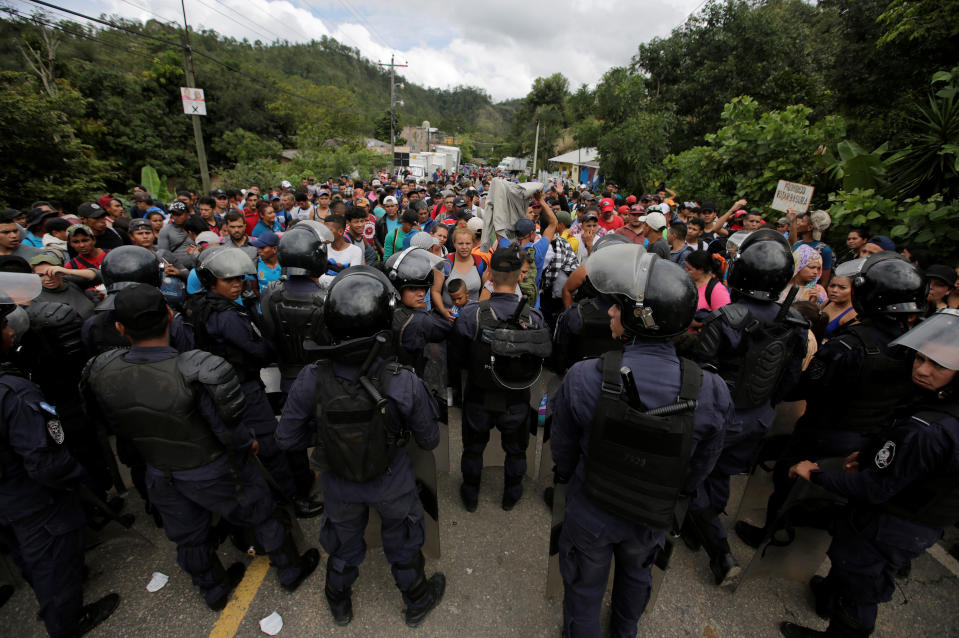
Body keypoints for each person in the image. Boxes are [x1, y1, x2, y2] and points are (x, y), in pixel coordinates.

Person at [82, 284, 319, 610]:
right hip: (214, 467)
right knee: (262, 514)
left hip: (159, 469)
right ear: (169, 315)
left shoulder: (102, 370)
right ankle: (289, 570)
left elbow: (108, 422)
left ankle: (213, 590)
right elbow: (228, 427)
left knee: (188, 537)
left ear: (120, 328)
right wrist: (246, 444)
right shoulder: (195, 369)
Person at [550, 244, 731, 638]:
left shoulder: (584, 377)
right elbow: (703, 463)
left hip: (593, 504)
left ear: (638, 317)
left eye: (619, 307)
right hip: (653, 510)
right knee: (636, 577)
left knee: (584, 588)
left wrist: (567, 478)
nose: (611, 312)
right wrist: (674, 491)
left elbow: (562, 449)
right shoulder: (711, 390)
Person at [276, 266, 446, 628]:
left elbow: (287, 438)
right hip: (393, 481)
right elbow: (430, 440)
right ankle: (416, 599)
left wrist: (330, 435)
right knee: (403, 542)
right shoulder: (403, 381)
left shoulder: (311, 377)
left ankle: (339, 603)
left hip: (338, 483)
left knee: (342, 544)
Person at [779, 308, 959, 638]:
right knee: (848, 565)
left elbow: (875, 488)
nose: (923, 370)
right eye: (920, 360)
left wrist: (815, 474)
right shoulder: (937, 410)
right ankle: (829, 596)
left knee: (860, 589)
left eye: (938, 366)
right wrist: (874, 453)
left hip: (895, 521)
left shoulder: (929, 430)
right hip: (911, 513)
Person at [736, 252, 927, 549]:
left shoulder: (848, 346)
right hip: (869, 438)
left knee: (789, 479)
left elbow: (805, 387)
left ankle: (772, 533)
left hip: (823, 433)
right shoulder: (915, 347)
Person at [0, 272, 121, 638]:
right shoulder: (15, 393)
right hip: (31, 495)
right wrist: (71, 481)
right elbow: (43, 458)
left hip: (8, 495)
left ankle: (49, 602)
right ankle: (67, 621)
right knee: (51, 558)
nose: (8, 330)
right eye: (1, 325)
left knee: (27, 555)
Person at [684, 230, 808, 585]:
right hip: (759, 416)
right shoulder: (797, 324)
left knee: (692, 478)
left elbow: (700, 374)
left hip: (719, 416)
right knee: (720, 474)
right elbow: (789, 383)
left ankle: (718, 551)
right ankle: (698, 525)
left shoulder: (725, 319)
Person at [187, 248, 316, 517]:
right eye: (229, 280)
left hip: (221, 388)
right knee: (270, 445)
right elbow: (259, 349)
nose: (237, 284)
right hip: (243, 388)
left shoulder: (202, 307)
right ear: (212, 281)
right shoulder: (228, 316)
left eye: (239, 278)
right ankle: (291, 500)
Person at [449, 245, 551, 512]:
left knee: (473, 450)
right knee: (516, 451)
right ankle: (511, 495)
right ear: (520, 276)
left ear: (490, 276)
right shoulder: (535, 318)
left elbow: (456, 359)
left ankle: (470, 495)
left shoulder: (471, 315)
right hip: (516, 400)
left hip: (478, 396)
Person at [385, 247, 453, 376]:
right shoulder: (420, 320)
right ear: (398, 288)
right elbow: (446, 328)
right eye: (412, 288)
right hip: (412, 378)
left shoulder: (389, 309)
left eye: (424, 288)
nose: (421, 293)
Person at [788, 208, 834, 286]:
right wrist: (792, 221)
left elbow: (824, 281)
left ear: (810, 227)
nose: (798, 223)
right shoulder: (797, 244)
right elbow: (790, 243)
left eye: (802, 221)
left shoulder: (824, 250)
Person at [821, 274, 857, 339]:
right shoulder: (827, 302)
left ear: (853, 290)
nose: (834, 290)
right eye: (832, 286)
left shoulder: (853, 315)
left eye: (842, 287)